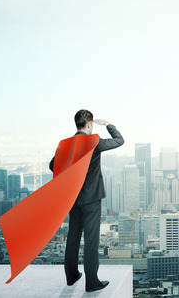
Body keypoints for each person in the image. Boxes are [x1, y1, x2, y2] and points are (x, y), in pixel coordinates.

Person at [49, 109, 124, 292]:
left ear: (77, 124)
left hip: (73, 198)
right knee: (91, 240)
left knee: (73, 236)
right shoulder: (94, 141)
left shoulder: (65, 144)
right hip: (92, 199)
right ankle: (92, 282)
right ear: (89, 124)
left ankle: (71, 276)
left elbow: (52, 165)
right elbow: (119, 141)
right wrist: (108, 125)